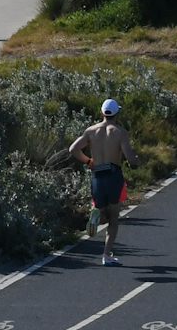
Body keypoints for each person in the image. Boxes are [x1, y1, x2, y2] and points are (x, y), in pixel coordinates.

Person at [69, 99, 138, 266]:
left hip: (97, 175)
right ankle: (106, 255)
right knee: (114, 217)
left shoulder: (91, 131)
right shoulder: (120, 132)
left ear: (102, 113)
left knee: (101, 208)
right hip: (113, 176)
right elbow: (131, 159)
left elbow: (73, 149)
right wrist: (136, 161)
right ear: (117, 113)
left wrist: (88, 161)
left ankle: (97, 218)